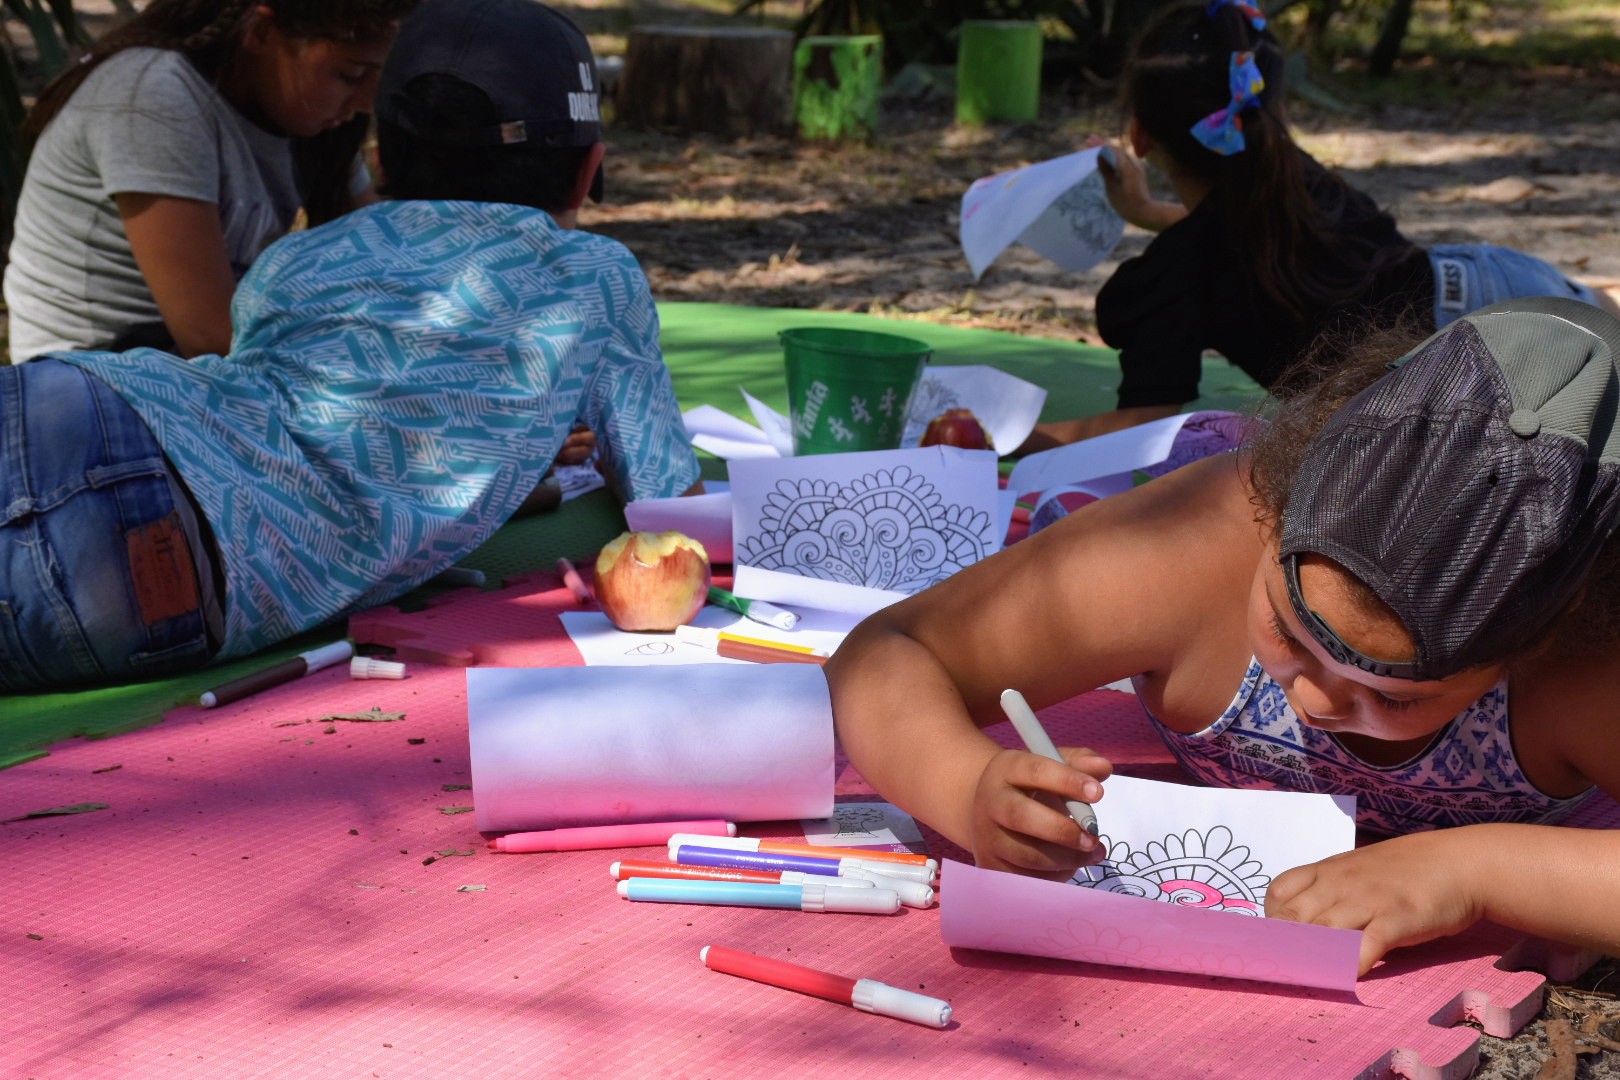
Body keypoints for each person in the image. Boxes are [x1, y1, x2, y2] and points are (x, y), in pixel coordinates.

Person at [825, 296, 1620, 974]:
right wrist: (965, 789)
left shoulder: (1583, 668)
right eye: (1290, 628)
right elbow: (888, 652)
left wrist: (1481, 869)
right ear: (1273, 506)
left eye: (1392, 694)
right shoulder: (1197, 545)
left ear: (1536, 648)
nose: (1314, 698)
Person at [0, 0, 700, 693]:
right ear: (588, 172)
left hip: (76, 401)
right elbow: (673, 515)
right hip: (164, 558)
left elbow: (304, 440)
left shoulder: (289, 262)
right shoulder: (594, 275)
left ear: (378, 154)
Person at [1024, 0, 1620, 449]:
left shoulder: (1178, 275)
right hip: (1497, 284)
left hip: (1453, 378)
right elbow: (1228, 232)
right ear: (1270, 110)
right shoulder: (1284, 175)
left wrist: (1003, 440)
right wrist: (1148, 214)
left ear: (1140, 136)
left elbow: (1141, 423)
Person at [3, 0, 416, 361]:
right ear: (260, 31)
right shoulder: (152, 99)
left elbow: (383, 260)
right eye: (351, 74)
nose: (367, 102)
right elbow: (210, 335)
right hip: (95, 385)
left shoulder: (310, 120)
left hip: (196, 371)